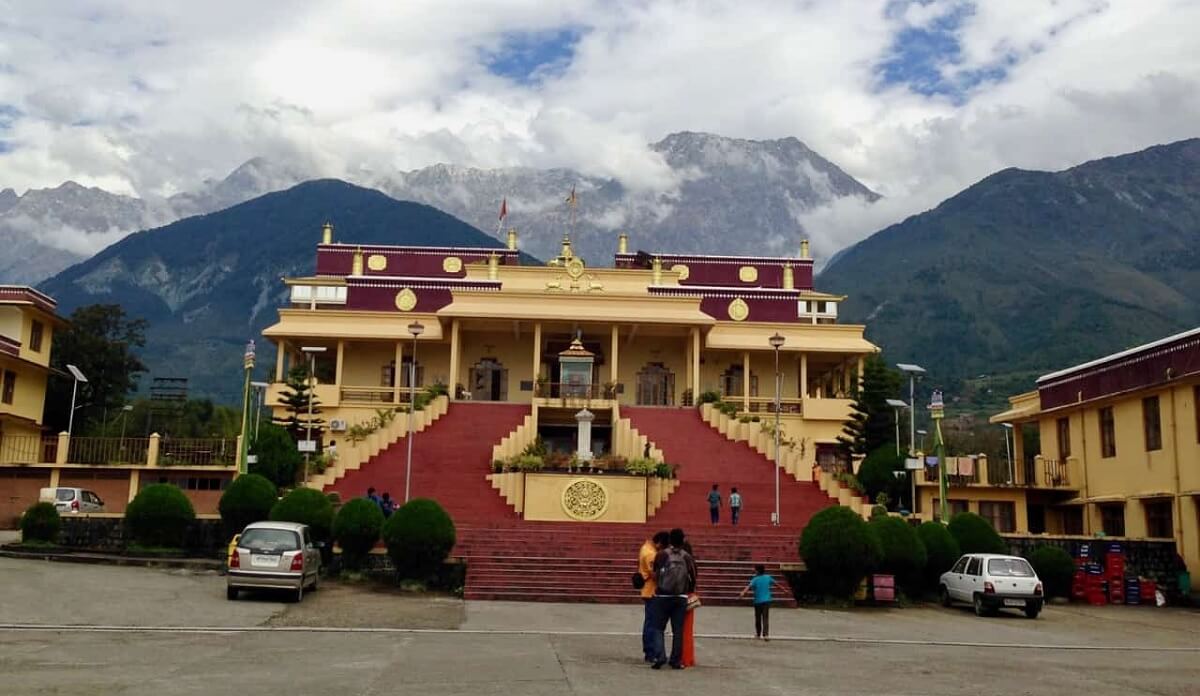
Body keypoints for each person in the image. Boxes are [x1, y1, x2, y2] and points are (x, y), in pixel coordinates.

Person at [650, 528, 697, 670]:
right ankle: (675, 660)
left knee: (658, 628)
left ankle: (660, 656)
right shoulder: (686, 556)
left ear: (670, 540)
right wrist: (689, 591)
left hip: (662, 596)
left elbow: (655, 573)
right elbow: (693, 575)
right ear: (683, 540)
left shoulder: (662, 555)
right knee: (678, 630)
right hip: (680, 597)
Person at [638, 530, 670, 662]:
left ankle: (650, 651)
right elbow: (654, 574)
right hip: (651, 591)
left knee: (650, 622)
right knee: (652, 623)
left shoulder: (645, 547)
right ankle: (650, 652)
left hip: (647, 590)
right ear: (659, 544)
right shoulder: (651, 554)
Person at [738, 564, 786, 640]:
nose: (754, 571)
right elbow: (777, 584)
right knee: (765, 618)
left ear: (757, 570)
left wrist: (743, 593)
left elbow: (748, 587)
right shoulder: (767, 577)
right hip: (766, 601)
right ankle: (765, 635)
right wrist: (783, 590)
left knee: (758, 618)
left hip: (758, 601)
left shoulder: (755, 579)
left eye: (755, 570)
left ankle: (758, 634)